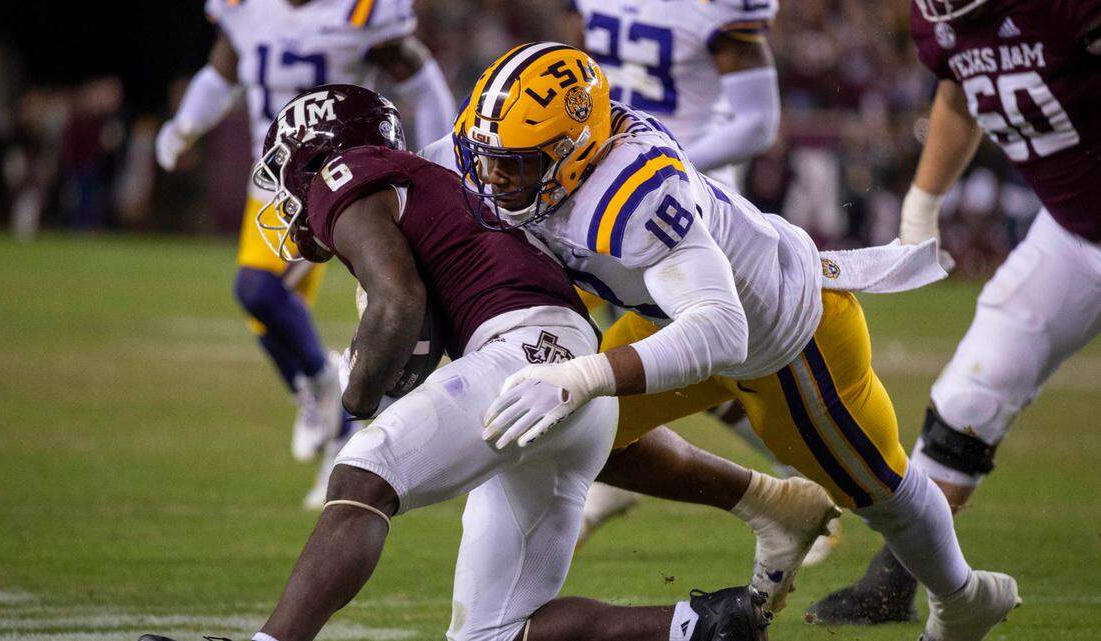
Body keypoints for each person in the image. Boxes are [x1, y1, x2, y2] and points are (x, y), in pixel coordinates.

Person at [140, 83, 773, 641]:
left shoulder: (350, 175)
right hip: (566, 385)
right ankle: (706, 626)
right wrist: (385, 372)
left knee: (363, 473)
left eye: (290, 171)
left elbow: (399, 303)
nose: (287, 193)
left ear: (320, 158)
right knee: (492, 634)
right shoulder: (421, 187)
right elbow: (419, 328)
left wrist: (356, 403)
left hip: (527, 359)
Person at [453, 43, 1020, 640]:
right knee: (569, 437)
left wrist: (581, 377)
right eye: (486, 157)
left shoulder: (633, 194)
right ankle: (771, 507)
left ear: (573, 155)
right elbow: (431, 168)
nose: (492, 178)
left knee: (879, 490)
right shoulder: (548, 159)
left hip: (786, 341)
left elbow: (722, 330)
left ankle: (962, 597)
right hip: (672, 314)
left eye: (515, 164)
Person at [806, 0, 1101, 626]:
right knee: (969, 396)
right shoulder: (942, 23)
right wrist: (923, 202)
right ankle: (894, 583)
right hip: (1074, 234)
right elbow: (959, 95)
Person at [557, 0, 840, 562]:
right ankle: (607, 470)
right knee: (588, 332)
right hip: (593, 188)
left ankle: (801, 478)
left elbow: (758, 123)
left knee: (696, 352)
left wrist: (665, 167)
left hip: (680, 197)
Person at [155, 0, 456, 477]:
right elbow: (220, 74)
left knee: (259, 289)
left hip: (341, 184)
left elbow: (419, 77)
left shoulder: (361, 12)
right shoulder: (246, 10)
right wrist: (185, 124)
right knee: (264, 312)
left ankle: (341, 402)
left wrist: (443, 152)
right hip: (275, 186)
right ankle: (324, 396)